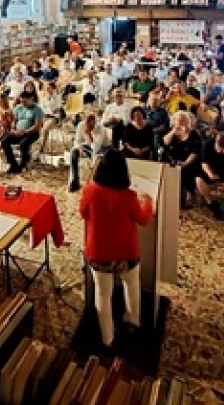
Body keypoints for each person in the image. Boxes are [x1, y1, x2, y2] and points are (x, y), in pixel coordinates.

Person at [78, 149, 153, 350]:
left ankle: (107, 338)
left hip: (99, 252)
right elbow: (143, 219)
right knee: (132, 286)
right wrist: (148, 202)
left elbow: (82, 213)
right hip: (127, 252)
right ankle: (133, 320)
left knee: (103, 295)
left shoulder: (91, 191)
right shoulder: (129, 196)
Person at [162, 111, 202, 209]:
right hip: (173, 161)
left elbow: (195, 152)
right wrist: (173, 131)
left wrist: (185, 163)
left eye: (182, 120)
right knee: (169, 169)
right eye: (178, 120)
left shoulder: (194, 134)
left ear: (188, 122)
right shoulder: (172, 132)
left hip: (189, 162)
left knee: (185, 172)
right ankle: (173, 196)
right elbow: (165, 143)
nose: (180, 122)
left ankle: (186, 196)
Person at [2, 90, 44, 174]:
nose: (23, 103)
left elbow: (37, 126)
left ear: (31, 99)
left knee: (23, 144)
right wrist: (13, 128)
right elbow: (14, 121)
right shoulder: (19, 107)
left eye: (25, 101)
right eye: (21, 101)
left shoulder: (37, 109)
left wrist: (24, 132)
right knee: (4, 141)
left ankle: (23, 165)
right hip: (18, 132)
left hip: (32, 133)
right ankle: (13, 164)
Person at [69, 112, 107, 192]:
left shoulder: (101, 129)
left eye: (91, 124)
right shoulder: (81, 125)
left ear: (95, 122)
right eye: (87, 123)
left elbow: (96, 148)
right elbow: (77, 141)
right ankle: (75, 180)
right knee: (73, 152)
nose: (88, 126)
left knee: (97, 158)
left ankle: (95, 184)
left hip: (102, 148)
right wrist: (79, 148)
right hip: (88, 146)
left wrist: (90, 134)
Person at [143, 90, 170, 156]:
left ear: (159, 102)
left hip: (156, 131)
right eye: (152, 100)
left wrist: (154, 130)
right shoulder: (143, 110)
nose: (154, 102)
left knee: (156, 136)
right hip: (144, 130)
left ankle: (155, 154)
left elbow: (165, 125)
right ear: (149, 101)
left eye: (156, 100)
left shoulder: (163, 112)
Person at [39, 81, 63, 151]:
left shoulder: (57, 97)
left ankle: (42, 147)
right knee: (42, 130)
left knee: (44, 129)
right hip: (44, 116)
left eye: (49, 87)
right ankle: (42, 146)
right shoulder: (44, 97)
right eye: (47, 87)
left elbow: (58, 109)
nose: (47, 89)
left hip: (53, 117)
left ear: (53, 88)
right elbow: (41, 107)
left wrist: (59, 120)